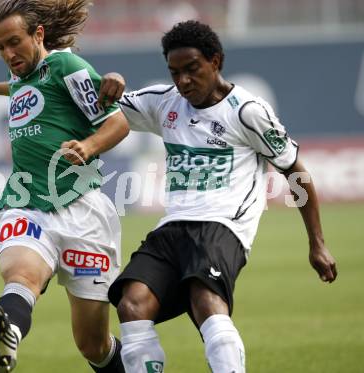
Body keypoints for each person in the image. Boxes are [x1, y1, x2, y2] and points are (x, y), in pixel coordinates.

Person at [106, 21, 338, 373]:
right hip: (173, 226)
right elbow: (101, 101)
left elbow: (296, 172)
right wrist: (110, 82)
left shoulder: (247, 112)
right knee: (132, 304)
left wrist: (317, 243)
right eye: (175, 72)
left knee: (206, 302)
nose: (183, 81)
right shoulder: (163, 102)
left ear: (216, 61)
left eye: (192, 69)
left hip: (222, 226)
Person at [0, 1, 129, 372]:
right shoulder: (20, 76)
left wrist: (88, 147)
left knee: (93, 345)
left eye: (14, 43)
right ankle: (8, 332)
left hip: (83, 212)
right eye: (0, 48)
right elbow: (18, 84)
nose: (8, 54)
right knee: (21, 274)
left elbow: (117, 123)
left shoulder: (66, 66)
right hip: (26, 202)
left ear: (38, 34)